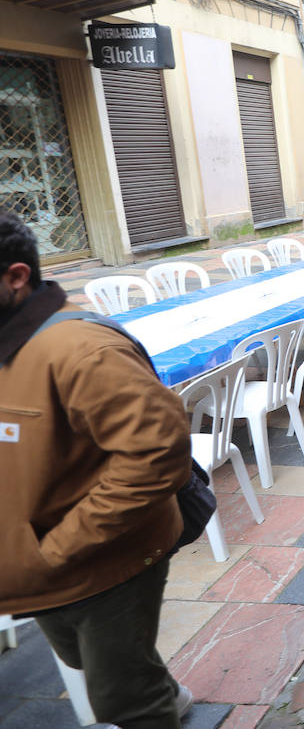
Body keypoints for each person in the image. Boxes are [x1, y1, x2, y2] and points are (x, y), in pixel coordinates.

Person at [0, 212, 196, 728]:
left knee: (122, 700)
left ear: (16, 277)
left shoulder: (82, 351)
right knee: (94, 663)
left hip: (100, 561)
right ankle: (156, 686)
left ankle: (157, 698)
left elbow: (156, 453)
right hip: (36, 565)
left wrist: (55, 549)